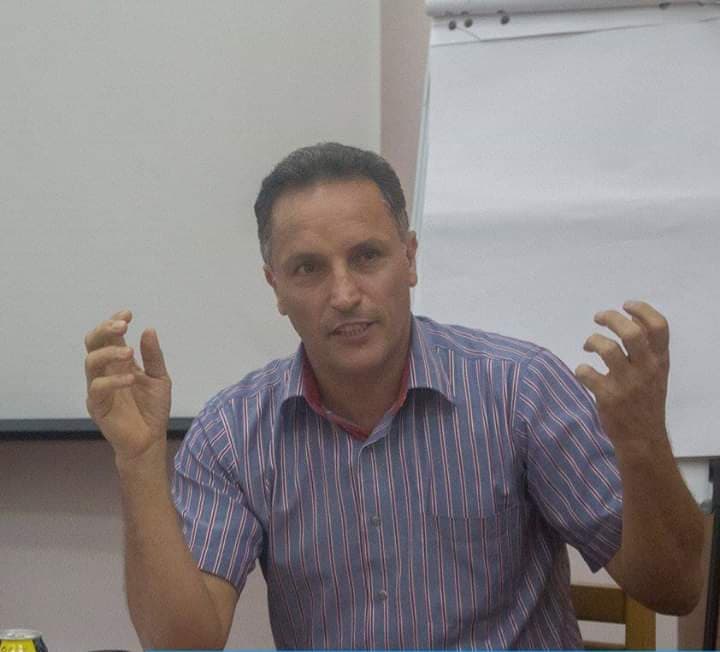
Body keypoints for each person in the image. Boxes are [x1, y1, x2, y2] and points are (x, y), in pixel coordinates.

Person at [84, 142, 704, 650]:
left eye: (367, 257)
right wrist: (138, 461)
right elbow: (184, 646)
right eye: (308, 268)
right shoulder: (234, 430)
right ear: (275, 287)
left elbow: (676, 587)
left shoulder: (520, 389)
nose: (344, 294)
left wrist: (643, 440)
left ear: (408, 259)